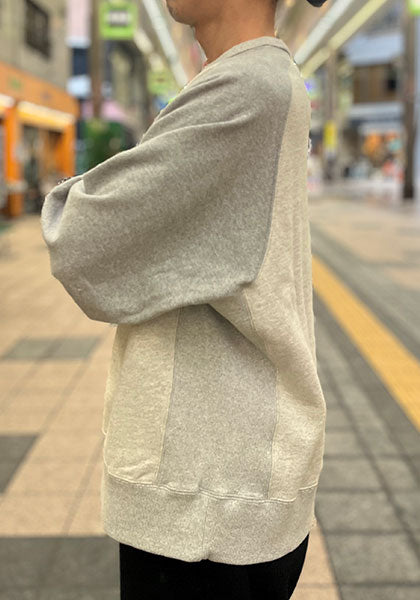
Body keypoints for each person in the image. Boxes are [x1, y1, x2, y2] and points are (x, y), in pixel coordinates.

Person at [40, 0, 328, 598]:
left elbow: (82, 241)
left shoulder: (248, 88)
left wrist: (82, 195)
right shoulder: (256, 80)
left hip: (207, 501)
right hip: (219, 486)